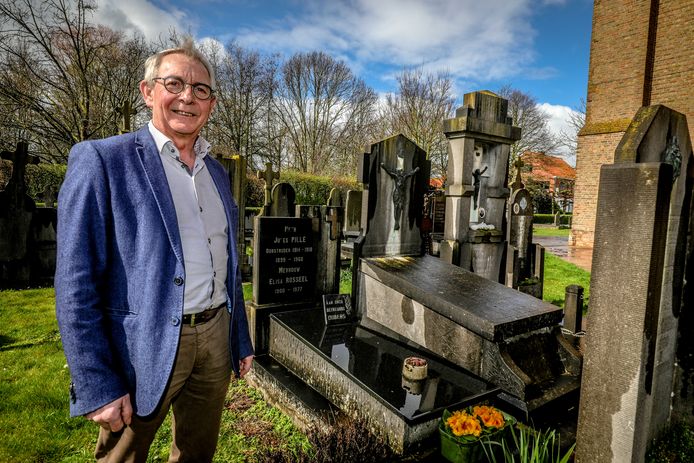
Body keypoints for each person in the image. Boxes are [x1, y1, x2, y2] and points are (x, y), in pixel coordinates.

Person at [55, 38, 254, 462]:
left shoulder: (217, 173)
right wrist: (96, 383)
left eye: (201, 89)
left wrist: (240, 340)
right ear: (148, 92)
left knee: (196, 454)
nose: (188, 97)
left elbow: (227, 265)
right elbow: (76, 281)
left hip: (215, 334)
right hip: (141, 343)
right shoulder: (102, 160)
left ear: (212, 104)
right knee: (122, 457)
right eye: (175, 83)